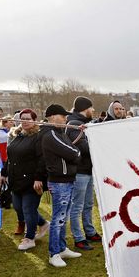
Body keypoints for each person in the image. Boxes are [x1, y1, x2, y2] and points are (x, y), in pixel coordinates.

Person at [41, 104, 83, 267]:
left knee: (63, 217)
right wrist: (76, 154)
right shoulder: (50, 133)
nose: (66, 118)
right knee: (58, 218)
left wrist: (75, 153)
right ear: (52, 117)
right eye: (62, 115)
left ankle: (62, 247)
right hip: (59, 182)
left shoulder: (58, 132)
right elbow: (73, 153)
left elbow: (73, 151)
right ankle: (54, 253)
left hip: (66, 180)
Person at [3, 108, 49, 250]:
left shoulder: (38, 136)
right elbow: (10, 157)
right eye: (22, 118)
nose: (25, 121)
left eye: (28, 118)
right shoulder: (18, 135)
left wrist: (38, 178)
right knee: (18, 208)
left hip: (32, 181)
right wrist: (4, 173)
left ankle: (29, 238)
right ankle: (43, 223)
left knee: (28, 209)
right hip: (16, 180)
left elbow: (42, 159)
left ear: (34, 120)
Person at [67, 96, 103, 251]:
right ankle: (78, 237)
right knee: (77, 206)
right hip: (79, 172)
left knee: (88, 204)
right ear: (85, 108)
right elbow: (84, 147)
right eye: (91, 107)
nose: (93, 110)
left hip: (88, 171)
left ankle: (89, 231)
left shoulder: (85, 123)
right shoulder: (74, 125)